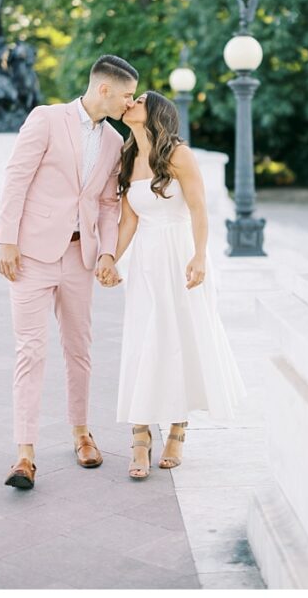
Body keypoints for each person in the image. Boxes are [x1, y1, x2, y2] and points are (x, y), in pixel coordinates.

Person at [0, 54, 138, 490]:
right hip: (31, 256)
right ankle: (24, 454)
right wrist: (6, 238)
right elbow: (16, 177)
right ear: (104, 90)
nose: (130, 104)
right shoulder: (46, 119)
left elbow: (110, 204)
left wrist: (109, 254)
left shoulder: (116, 142)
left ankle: (81, 433)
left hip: (81, 259)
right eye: (127, 96)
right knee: (30, 351)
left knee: (79, 349)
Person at [106, 90, 246, 479]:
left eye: (138, 100)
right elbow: (129, 220)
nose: (129, 102)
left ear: (155, 112)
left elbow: (199, 207)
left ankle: (178, 427)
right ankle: (140, 430)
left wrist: (199, 255)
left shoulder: (180, 155)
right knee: (144, 339)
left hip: (182, 254)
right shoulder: (127, 157)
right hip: (146, 262)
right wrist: (110, 260)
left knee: (179, 339)